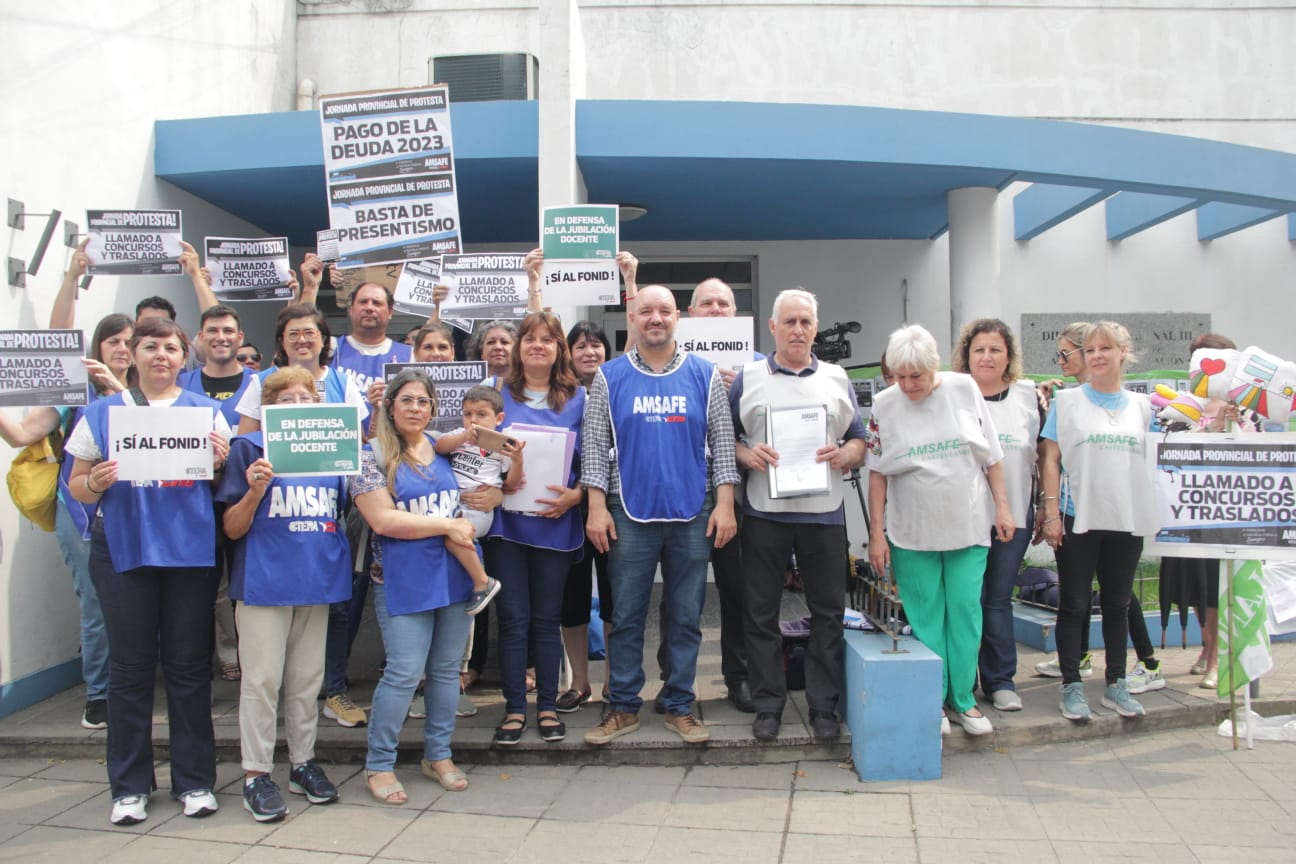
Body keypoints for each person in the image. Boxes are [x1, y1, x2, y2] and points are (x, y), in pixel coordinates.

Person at [65, 317, 231, 826]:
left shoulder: (207, 413)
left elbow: (220, 483)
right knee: (130, 669)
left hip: (188, 553)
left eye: (171, 348)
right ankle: (129, 787)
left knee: (188, 668)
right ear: (133, 355)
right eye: (150, 346)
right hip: (124, 551)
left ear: (184, 357)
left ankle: (195, 781)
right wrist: (96, 481)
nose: (161, 355)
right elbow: (76, 485)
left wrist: (219, 464)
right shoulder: (101, 413)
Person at [583, 285, 738, 745]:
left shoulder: (704, 374)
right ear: (633, 318)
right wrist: (596, 507)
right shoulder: (610, 376)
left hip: (693, 509)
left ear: (677, 318)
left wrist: (725, 503)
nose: (656, 318)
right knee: (627, 614)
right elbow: (594, 446)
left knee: (686, 614)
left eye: (664, 311)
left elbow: (722, 443)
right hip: (628, 510)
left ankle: (679, 704)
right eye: (647, 310)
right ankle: (622, 706)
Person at [0, 243, 128, 730]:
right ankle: (99, 695)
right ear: (97, 348)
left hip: (135, 512)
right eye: (112, 341)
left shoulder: (150, 393)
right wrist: (71, 278)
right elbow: (20, 433)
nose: (121, 348)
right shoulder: (74, 392)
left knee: (137, 602)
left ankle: (132, 685)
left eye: (129, 341)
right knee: (96, 603)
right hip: (81, 514)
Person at [867, 324, 1014, 737]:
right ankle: (933, 697)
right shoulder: (884, 404)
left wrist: (1003, 507)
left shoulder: (964, 389)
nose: (908, 385)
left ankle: (963, 699)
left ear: (935, 367)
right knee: (926, 617)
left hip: (967, 524)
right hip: (912, 530)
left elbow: (992, 457)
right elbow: (877, 473)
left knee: (965, 612)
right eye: (899, 376)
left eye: (916, 376)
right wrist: (876, 533)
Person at [732, 289, 866, 742]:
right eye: (789, 322)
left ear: (815, 327)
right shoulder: (748, 377)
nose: (797, 330)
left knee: (828, 611)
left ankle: (823, 707)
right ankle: (768, 704)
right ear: (773, 327)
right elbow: (724, 439)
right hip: (765, 513)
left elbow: (859, 440)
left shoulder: (836, 377)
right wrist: (747, 455)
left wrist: (846, 453)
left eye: (805, 322)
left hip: (822, 514)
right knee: (761, 612)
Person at [217, 368, 350, 822]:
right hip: (264, 581)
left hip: (316, 579)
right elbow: (232, 527)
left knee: (307, 680)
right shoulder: (248, 448)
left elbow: (339, 510)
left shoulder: (333, 451)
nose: (298, 406)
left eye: (306, 398)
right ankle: (256, 773)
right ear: (268, 409)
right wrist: (255, 491)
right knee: (261, 681)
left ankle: (302, 762)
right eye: (286, 400)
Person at [232, 303, 370, 727]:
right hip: (272, 521)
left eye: (310, 332)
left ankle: (333, 691)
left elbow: (356, 446)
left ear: (325, 340)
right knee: (268, 659)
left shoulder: (342, 383)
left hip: (325, 509)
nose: (302, 339)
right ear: (281, 341)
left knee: (333, 610)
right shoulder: (260, 383)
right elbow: (247, 443)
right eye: (293, 333)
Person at [350, 369, 478, 803]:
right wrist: (446, 525)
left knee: (446, 671)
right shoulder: (370, 455)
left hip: (453, 574)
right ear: (389, 406)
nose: (416, 408)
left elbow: (484, 487)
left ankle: (438, 755)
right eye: (406, 400)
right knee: (405, 671)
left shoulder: (445, 449)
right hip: (400, 578)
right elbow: (383, 520)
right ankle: (379, 764)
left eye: (424, 401)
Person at [1033, 322, 1165, 696]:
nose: (1096, 356)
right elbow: (1050, 459)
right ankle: (1072, 685)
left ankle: (1117, 683)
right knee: (1074, 604)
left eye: (1104, 348)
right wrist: (1052, 512)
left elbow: (1156, 458)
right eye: (1090, 350)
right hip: (1078, 516)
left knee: (1117, 604)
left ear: (1123, 352)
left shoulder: (1142, 407)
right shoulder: (1067, 402)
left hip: (1125, 519)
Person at [486, 302, 586, 747]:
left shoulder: (580, 397)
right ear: (518, 347)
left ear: (559, 348)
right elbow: (475, 453)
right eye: (530, 338)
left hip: (555, 523)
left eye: (547, 339)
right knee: (512, 619)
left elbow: (597, 456)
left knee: (546, 620)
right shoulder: (496, 393)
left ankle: (547, 705)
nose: (538, 345)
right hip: (507, 526)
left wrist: (577, 495)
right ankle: (513, 708)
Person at [951, 319, 1039, 712]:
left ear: (1009, 356)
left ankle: (1000, 679)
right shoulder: (952, 395)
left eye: (995, 350)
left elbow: (1041, 457)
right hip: (963, 517)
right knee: (966, 600)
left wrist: (1045, 508)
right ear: (966, 356)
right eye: (979, 350)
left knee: (998, 599)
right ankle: (963, 678)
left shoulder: (1028, 396)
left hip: (1013, 514)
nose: (987, 357)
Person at [1160, 332, 1253, 691]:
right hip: (1189, 512)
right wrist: (1209, 429)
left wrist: (1234, 427)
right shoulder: (1182, 406)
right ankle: (1207, 644)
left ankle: (1217, 657)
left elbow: (1259, 454)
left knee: (1216, 587)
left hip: (1229, 514)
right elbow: (1169, 449)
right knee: (1196, 588)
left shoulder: (1245, 408)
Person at [179, 304, 256, 683]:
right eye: (212, 330)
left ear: (239, 338)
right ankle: (217, 655)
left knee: (243, 579)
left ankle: (247, 655)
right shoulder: (182, 384)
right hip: (195, 500)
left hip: (247, 496)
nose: (221, 337)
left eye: (228, 330)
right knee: (208, 584)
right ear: (200, 338)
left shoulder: (258, 383)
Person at [557, 320, 614, 712]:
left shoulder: (621, 387)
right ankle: (578, 682)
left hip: (614, 509)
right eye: (580, 346)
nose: (589, 352)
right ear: (569, 353)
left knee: (614, 596)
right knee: (571, 598)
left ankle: (613, 679)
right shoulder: (558, 395)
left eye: (596, 345)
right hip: (567, 510)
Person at [432, 384, 520, 613]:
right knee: (447, 534)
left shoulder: (503, 444)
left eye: (481, 414)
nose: (473, 420)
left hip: (480, 507)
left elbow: (512, 483)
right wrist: (463, 437)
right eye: (467, 414)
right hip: (454, 503)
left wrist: (518, 460)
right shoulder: (458, 435)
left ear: (499, 418)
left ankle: (482, 582)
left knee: (453, 536)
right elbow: (439, 447)